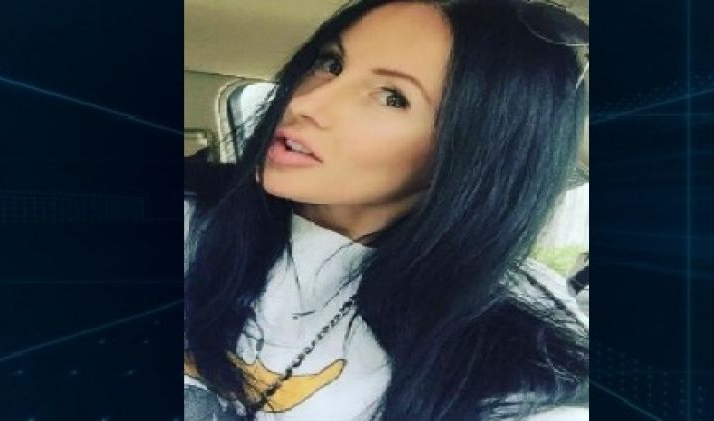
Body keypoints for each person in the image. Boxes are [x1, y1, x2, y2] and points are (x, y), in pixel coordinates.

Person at [184, 0, 589, 419]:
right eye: (331, 63)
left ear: (475, 151)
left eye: (392, 97)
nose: (306, 103)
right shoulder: (192, 217)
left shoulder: (509, 341)